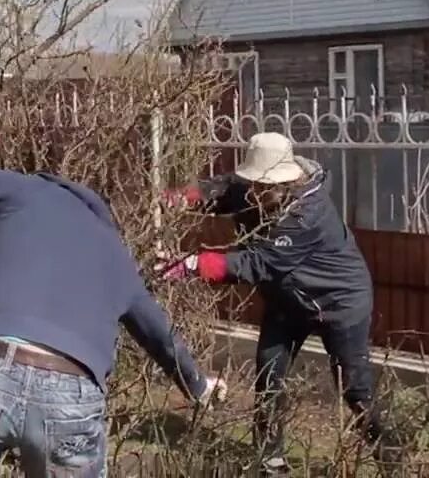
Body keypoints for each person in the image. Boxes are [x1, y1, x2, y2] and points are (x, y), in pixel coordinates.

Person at [0, 121, 226, 478]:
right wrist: (197, 385)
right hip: (69, 389)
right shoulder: (116, 253)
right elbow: (159, 335)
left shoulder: (25, 192)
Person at [158, 132, 388, 476]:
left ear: (289, 180)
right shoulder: (250, 187)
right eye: (256, 185)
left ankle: (391, 456)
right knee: (269, 376)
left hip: (339, 302)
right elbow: (219, 190)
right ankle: (271, 463)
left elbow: (257, 263)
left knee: (355, 389)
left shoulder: (306, 213)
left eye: (269, 188)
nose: (258, 193)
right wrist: (177, 198)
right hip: (287, 299)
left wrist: (190, 265)